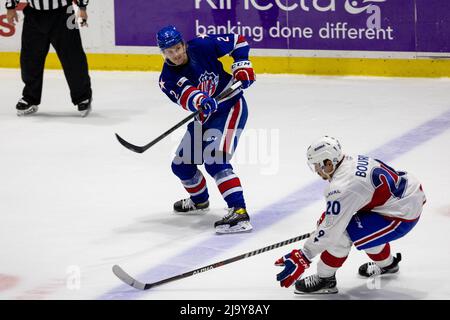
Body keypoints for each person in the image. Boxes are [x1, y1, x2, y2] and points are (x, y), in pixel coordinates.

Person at [275, 136, 426, 294]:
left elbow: (332, 232)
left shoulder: (341, 187)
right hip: (403, 196)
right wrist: (328, 225)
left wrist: (304, 255)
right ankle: (388, 265)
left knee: (342, 234)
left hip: (401, 214)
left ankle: (325, 279)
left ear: (328, 163)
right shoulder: (351, 161)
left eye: (317, 166)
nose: (317, 171)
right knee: (359, 229)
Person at [156, 25, 256, 234]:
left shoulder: (202, 45)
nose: (175, 54)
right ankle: (200, 201)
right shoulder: (167, 79)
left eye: (177, 48)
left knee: (215, 160)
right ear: (163, 53)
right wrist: (200, 100)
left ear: (183, 44)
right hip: (205, 116)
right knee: (181, 166)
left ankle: (239, 212)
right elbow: (187, 94)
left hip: (230, 106)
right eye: (169, 51)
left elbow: (238, 40)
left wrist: (242, 65)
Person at [5, 0, 92, 117]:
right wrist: (10, 7)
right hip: (33, 14)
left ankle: (82, 97)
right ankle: (30, 98)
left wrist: (82, 8)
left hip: (63, 13)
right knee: (30, 59)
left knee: (72, 56)